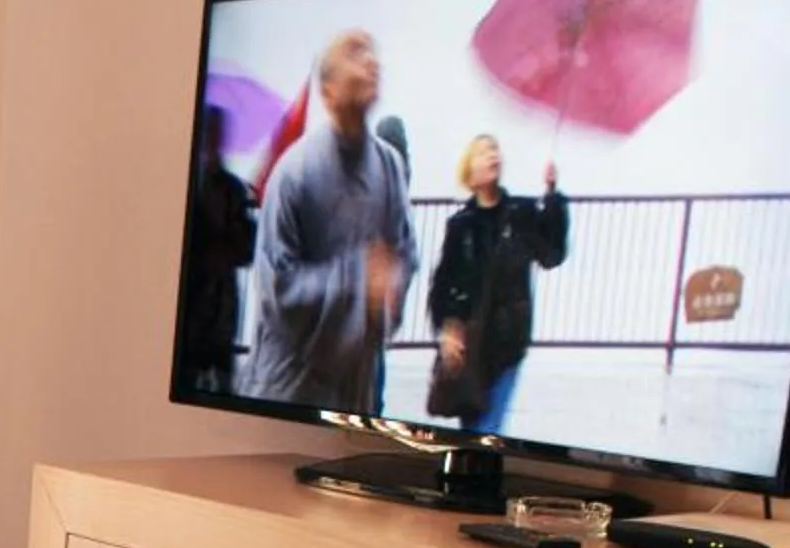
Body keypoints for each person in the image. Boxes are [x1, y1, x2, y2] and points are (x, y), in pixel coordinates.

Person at [241, 31, 415, 413]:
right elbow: (277, 287)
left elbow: (403, 256)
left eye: (373, 52)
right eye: (356, 54)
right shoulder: (294, 172)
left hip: (357, 390)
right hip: (291, 390)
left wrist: (391, 287)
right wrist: (357, 278)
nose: (372, 61)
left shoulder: (389, 166)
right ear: (328, 91)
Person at [425, 134, 569, 435]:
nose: (493, 156)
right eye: (483, 152)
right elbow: (443, 282)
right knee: (473, 422)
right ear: (469, 172)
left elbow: (552, 254)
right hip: (470, 342)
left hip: (508, 337)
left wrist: (553, 195)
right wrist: (447, 328)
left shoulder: (521, 214)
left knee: (487, 428)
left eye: (495, 150)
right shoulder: (461, 225)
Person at [177, 105, 256, 394]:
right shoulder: (186, 182)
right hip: (190, 310)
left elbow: (247, 246)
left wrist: (228, 246)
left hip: (220, 310)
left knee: (223, 385)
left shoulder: (232, 188)